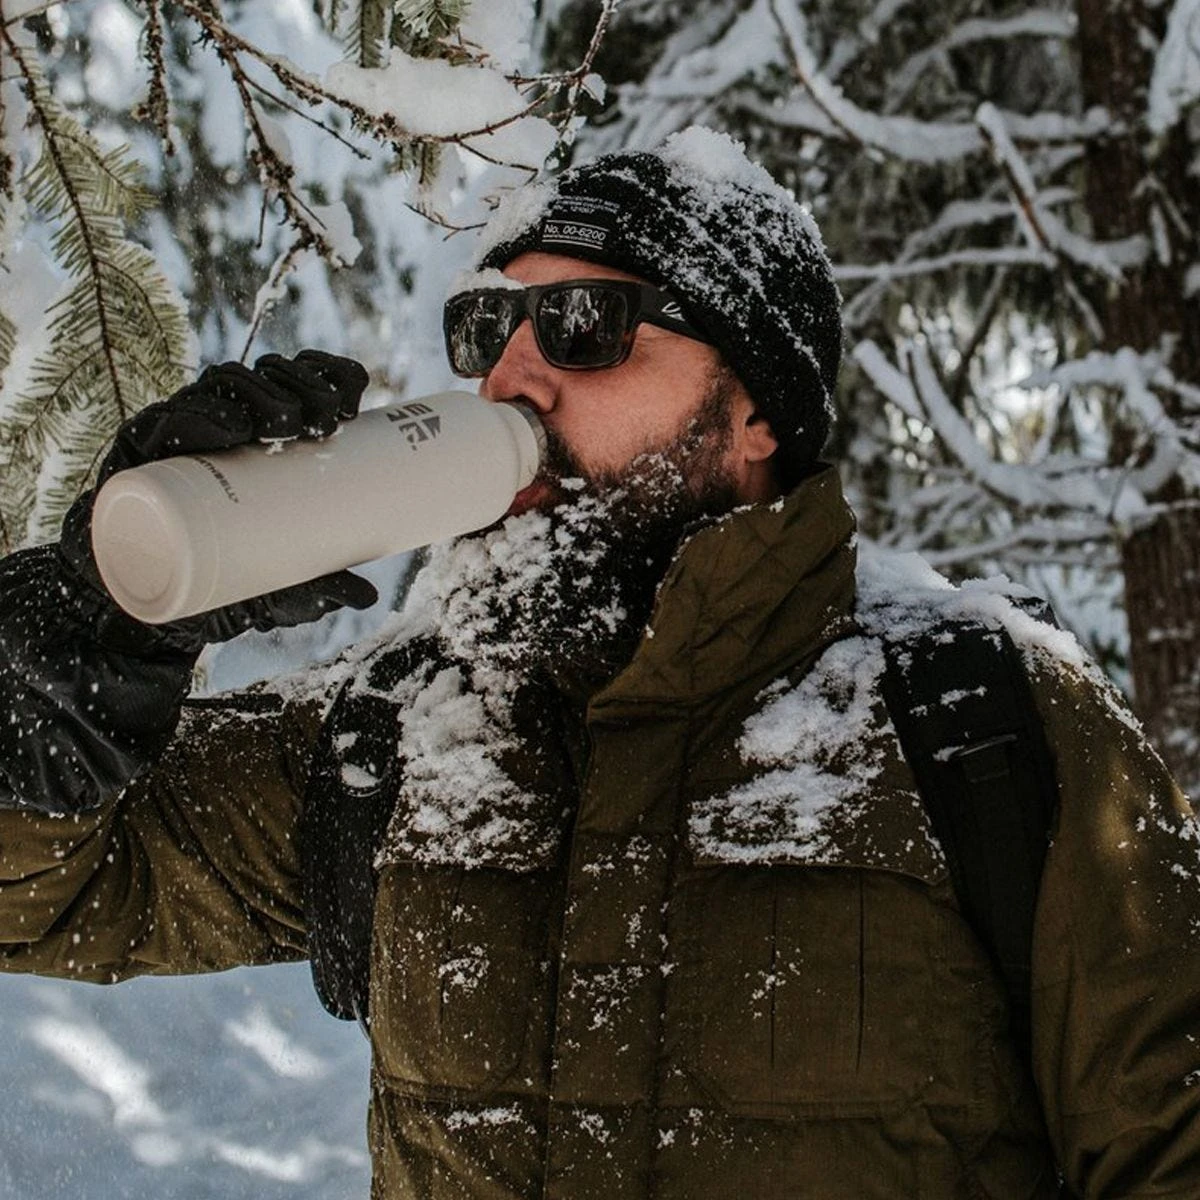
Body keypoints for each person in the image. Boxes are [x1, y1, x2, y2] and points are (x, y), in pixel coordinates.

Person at [0, 125, 1197, 1199]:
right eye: (490, 329)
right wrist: (89, 631)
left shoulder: (976, 720)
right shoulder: (402, 724)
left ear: (757, 405)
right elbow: (55, 894)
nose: (510, 377)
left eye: (586, 325)